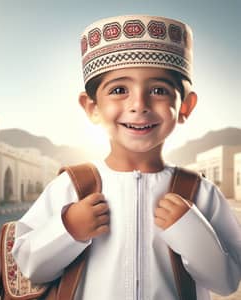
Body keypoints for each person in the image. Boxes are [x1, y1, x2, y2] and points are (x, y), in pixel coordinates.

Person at [12, 15, 241, 300]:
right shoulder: (72, 185)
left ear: (186, 106)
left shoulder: (200, 193)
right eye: (119, 90)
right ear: (91, 107)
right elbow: (30, 266)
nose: (138, 105)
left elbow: (227, 281)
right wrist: (68, 228)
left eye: (159, 90)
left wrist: (192, 232)